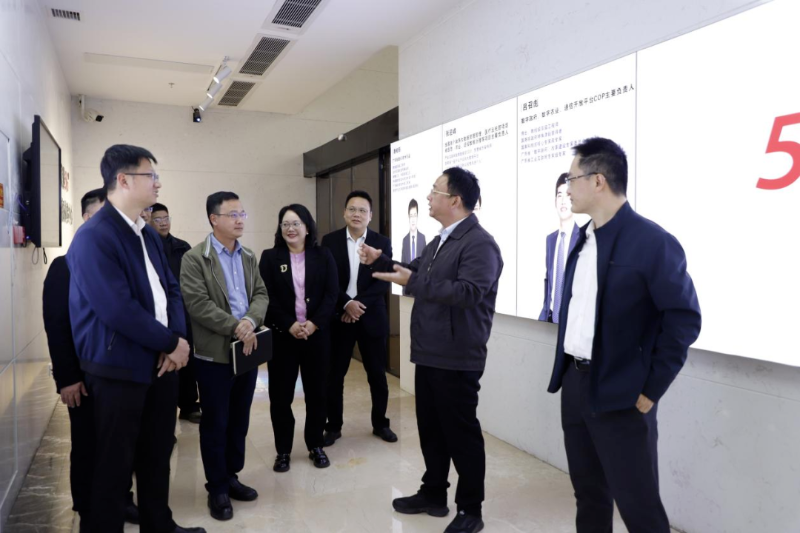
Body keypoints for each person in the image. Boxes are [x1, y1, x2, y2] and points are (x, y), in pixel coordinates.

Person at [546, 137, 701, 533]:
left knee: (639, 505)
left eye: (571, 178)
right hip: (575, 385)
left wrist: (653, 386)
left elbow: (684, 317)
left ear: (598, 180)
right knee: (589, 495)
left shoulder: (652, 242)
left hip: (624, 394)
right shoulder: (583, 238)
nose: (566, 188)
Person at [67, 144, 204, 533]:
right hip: (118, 369)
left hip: (161, 365)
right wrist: (170, 344)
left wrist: (176, 339)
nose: (158, 184)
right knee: (113, 466)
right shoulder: (94, 236)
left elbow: (171, 290)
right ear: (123, 180)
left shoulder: (147, 233)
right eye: (151, 176)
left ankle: (159, 525)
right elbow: (117, 308)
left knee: (157, 454)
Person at [360, 167, 503, 533]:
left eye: (434, 191)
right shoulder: (440, 240)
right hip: (429, 350)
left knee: (461, 435)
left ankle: (470, 509)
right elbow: (416, 271)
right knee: (431, 429)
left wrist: (415, 281)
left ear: (455, 200)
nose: (428, 196)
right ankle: (434, 494)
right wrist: (380, 259)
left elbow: (469, 293)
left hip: (457, 356)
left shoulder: (480, 244)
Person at [43, 189, 140, 530]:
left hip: (122, 375)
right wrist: (67, 378)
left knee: (121, 445)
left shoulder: (122, 266)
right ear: (86, 218)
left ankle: (120, 500)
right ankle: (86, 505)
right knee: (87, 443)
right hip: (83, 378)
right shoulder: (64, 267)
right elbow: (57, 327)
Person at [180, 191, 269, 521]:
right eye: (233, 214)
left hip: (245, 350)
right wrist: (236, 326)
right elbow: (198, 305)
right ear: (213, 219)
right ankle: (216, 487)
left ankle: (231, 475)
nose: (240, 220)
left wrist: (250, 322)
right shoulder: (194, 259)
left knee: (239, 419)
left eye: (242, 214)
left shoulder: (248, 255)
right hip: (214, 355)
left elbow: (260, 294)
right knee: (215, 422)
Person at [259, 204, 338, 472]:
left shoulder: (323, 255)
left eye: (296, 223)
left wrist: (314, 324)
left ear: (307, 227)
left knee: (317, 394)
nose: (290, 228)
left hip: (317, 337)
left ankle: (315, 444)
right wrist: (289, 324)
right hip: (283, 337)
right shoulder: (270, 257)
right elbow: (265, 296)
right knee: (281, 397)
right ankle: (283, 450)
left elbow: (331, 294)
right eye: (285, 224)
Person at [321, 190, 396, 447]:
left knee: (377, 375)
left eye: (362, 210)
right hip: (339, 318)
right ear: (344, 212)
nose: (357, 214)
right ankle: (333, 426)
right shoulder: (330, 241)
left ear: (370, 215)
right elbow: (327, 280)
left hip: (371, 317)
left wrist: (357, 305)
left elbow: (383, 280)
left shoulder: (381, 242)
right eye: (352, 209)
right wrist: (346, 303)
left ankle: (380, 424)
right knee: (335, 375)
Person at [150, 202, 201, 423]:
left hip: (183, 311)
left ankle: (189, 405)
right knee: (163, 363)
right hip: (159, 314)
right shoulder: (147, 245)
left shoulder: (182, 247)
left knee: (187, 359)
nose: (163, 223)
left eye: (166, 218)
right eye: (158, 219)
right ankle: (165, 413)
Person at [539, 173, 581, 323]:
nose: (563, 201)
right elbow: (549, 281)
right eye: (559, 195)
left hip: (571, 324)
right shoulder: (550, 240)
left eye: (567, 195)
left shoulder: (583, 239)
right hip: (549, 320)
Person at [400, 199, 426, 296]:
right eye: (411, 216)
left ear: (418, 216)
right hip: (407, 290)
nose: (413, 219)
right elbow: (402, 265)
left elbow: (425, 265)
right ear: (408, 217)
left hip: (420, 290)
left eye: (415, 215)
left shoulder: (422, 238)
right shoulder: (405, 240)